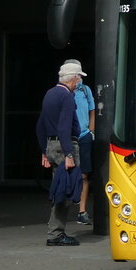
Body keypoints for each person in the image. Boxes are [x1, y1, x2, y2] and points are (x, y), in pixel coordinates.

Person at [37, 61, 84, 246]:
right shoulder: (66, 97)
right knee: (65, 189)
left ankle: (55, 232)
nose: (79, 81)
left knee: (60, 187)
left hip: (52, 145)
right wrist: (69, 154)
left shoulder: (49, 94)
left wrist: (44, 151)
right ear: (73, 78)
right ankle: (55, 234)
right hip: (65, 146)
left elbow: (40, 126)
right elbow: (65, 128)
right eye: (79, 77)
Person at [64, 59, 95, 225]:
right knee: (67, 173)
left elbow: (92, 110)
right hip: (68, 137)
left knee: (84, 174)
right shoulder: (63, 91)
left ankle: (82, 211)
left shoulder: (85, 90)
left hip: (83, 136)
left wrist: (91, 131)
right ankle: (62, 210)